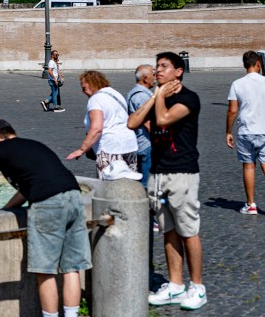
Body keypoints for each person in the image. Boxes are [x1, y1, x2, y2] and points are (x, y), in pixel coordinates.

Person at [0, 120, 91, 317]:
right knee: (72, 267)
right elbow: (28, 189)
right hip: (74, 196)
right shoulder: (35, 144)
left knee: (45, 270)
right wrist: (6, 209)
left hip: (48, 204)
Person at [127, 52, 206, 310]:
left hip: (181, 172)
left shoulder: (188, 98)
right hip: (158, 174)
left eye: (164, 66)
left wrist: (159, 97)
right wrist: (156, 96)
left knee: (188, 231)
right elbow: (133, 122)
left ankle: (197, 286)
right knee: (168, 231)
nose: (157, 70)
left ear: (179, 71)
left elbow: (163, 120)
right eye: (157, 66)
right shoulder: (157, 97)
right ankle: (175, 285)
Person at [226, 50, 265, 218]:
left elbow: (232, 110)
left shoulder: (237, 84)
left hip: (247, 131)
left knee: (249, 166)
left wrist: (228, 131)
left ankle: (251, 204)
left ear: (244, 65)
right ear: (258, 64)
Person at [65, 70, 137, 177]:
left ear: (91, 84)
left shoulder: (95, 99)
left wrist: (82, 149)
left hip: (110, 148)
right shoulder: (115, 93)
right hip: (129, 145)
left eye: (84, 87)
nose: (82, 91)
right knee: (128, 183)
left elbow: (97, 128)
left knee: (108, 187)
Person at [126, 64, 155, 185]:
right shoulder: (142, 96)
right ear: (145, 78)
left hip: (139, 143)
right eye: (153, 75)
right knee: (146, 184)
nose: (156, 78)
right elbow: (148, 123)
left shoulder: (133, 93)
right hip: (146, 144)